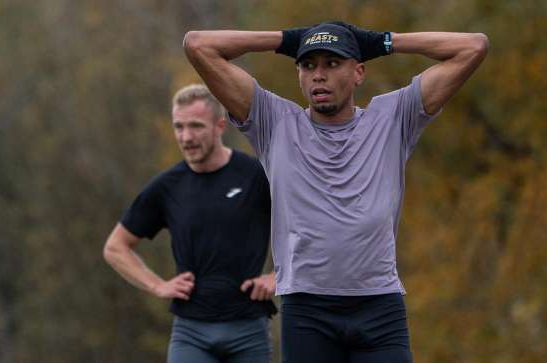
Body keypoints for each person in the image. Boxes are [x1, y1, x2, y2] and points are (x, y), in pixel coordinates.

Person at [184, 21, 488, 363]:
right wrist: (286, 40)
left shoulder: (391, 118)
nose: (318, 75)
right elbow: (198, 45)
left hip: (380, 308)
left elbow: (473, 47)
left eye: (332, 63)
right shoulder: (274, 122)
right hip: (308, 312)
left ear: (358, 72)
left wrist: (383, 42)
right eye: (308, 64)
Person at [103, 84, 277, 363]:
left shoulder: (257, 176)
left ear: (220, 125)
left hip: (249, 330)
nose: (186, 137)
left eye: (196, 126)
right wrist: (156, 285)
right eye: (178, 127)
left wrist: (278, 276)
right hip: (190, 334)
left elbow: (311, 228)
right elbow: (115, 247)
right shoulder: (167, 187)